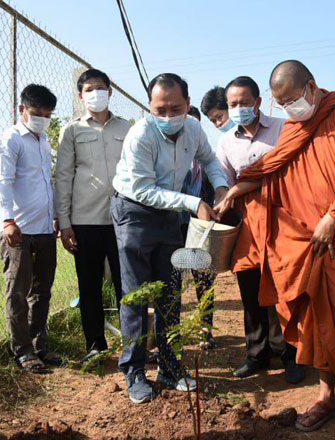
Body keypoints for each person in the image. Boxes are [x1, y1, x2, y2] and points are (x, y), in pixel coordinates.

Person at [215, 60, 335, 440]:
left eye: (293, 98)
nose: (290, 107)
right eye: (282, 103)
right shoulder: (295, 128)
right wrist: (235, 189)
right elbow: (269, 168)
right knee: (315, 321)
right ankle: (326, 395)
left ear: (311, 87)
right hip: (310, 243)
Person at [112, 73, 228, 404]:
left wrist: (219, 186)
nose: (167, 116)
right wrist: (194, 203)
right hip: (134, 211)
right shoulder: (141, 135)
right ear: (149, 107)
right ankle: (133, 371)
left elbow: (209, 160)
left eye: (174, 108)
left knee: (170, 290)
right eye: (159, 109)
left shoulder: (193, 128)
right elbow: (143, 189)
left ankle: (170, 366)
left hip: (169, 213)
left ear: (187, 104)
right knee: (136, 293)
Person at [215, 76, 304, 384]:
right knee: (250, 291)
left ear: (258, 101)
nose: (238, 108)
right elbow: (223, 183)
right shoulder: (226, 141)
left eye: (243, 102)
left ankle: (294, 355)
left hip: (284, 220)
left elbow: (289, 170)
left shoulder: (284, 128)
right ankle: (257, 355)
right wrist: (222, 200)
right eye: (232, 104)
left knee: (286, 290)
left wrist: (239, 188)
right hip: (248, 225)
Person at [55, 69, 130, 362]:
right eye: (89, 89)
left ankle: (134, 343)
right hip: (85, 222)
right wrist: (64, 223)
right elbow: (63, 178)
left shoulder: (126, 128)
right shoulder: (71, 131)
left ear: (110, 91)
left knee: (128, 285)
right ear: (80, 95)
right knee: (89, 287)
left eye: (100, 88)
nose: (95, 93)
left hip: (123, 220)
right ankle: (95, 345)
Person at [0, 84, 61, 374]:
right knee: (18, 292)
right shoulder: (11, 140)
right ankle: (21, 350)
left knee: (42, 291)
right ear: (22, 110)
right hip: (18, 230)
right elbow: (3, 181)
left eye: (47, 114)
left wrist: (56, 216)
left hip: (45, 228)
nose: (42, 119)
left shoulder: (44, 141)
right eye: (36, 113)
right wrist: (7, 221)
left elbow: (48, 183)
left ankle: (38, 344)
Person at [180, 105, 218, 350]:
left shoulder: (209, 159)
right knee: (171, 279)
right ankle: (173, 332)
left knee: (203, 278)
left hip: (199, 226)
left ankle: (206, 328)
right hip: (174, 225)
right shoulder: (165, 157)